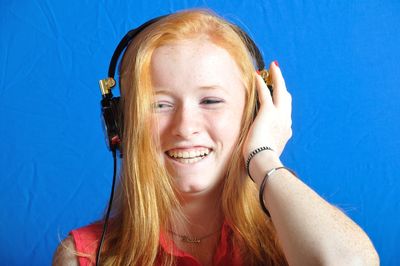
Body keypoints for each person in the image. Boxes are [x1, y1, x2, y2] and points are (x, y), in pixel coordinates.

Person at [53, 9, 379, 266]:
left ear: (254, 115)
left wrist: (263, 157)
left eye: (211, 100)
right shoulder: (83, 257)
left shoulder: (295, 234)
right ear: (122, 125)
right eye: (160, 104)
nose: (185, 126)